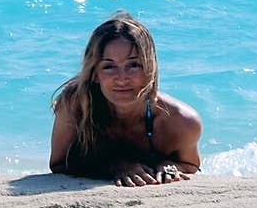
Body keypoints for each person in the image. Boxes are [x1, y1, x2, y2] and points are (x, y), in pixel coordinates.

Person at [50, 11, 203, 187]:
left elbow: (190, 165)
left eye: (134, 65)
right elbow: (58, 164)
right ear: (95, 74)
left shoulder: (182, 121)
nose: (122, 78)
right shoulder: (76, 106)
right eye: (109, 66)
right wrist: (114, 167)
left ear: (150, 69)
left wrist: (170, 166)